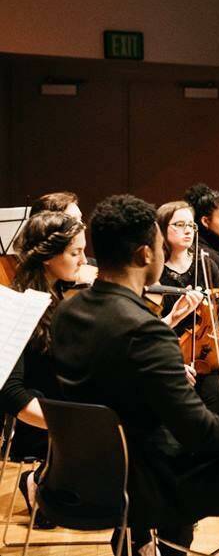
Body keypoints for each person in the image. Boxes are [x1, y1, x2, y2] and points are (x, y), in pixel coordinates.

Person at [51, 195, 219, 556]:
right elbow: (192, 426)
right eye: (160, 246)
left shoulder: (66, 314)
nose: (163, 253)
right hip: (150, 482)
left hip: (80, 475)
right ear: (144, 255)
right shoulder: (144, 330)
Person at [0, 211, 85, 529]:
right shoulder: (20, 306)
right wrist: (77, 426)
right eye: (75, 253)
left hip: (63, 410)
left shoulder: (59, 298)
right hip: (37, 420)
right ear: (49, 258)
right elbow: (12, 393)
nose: (83, 261)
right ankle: (40, 478)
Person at [156, 200, 219, 421]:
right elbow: (150, 326)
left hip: (205, 355)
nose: (187, 230)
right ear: (162, 228)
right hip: (167, 356)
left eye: (191, 225)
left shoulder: (206, 264)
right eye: (179, 225)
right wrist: (174, 364)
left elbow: (218, 316)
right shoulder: (155, 272)